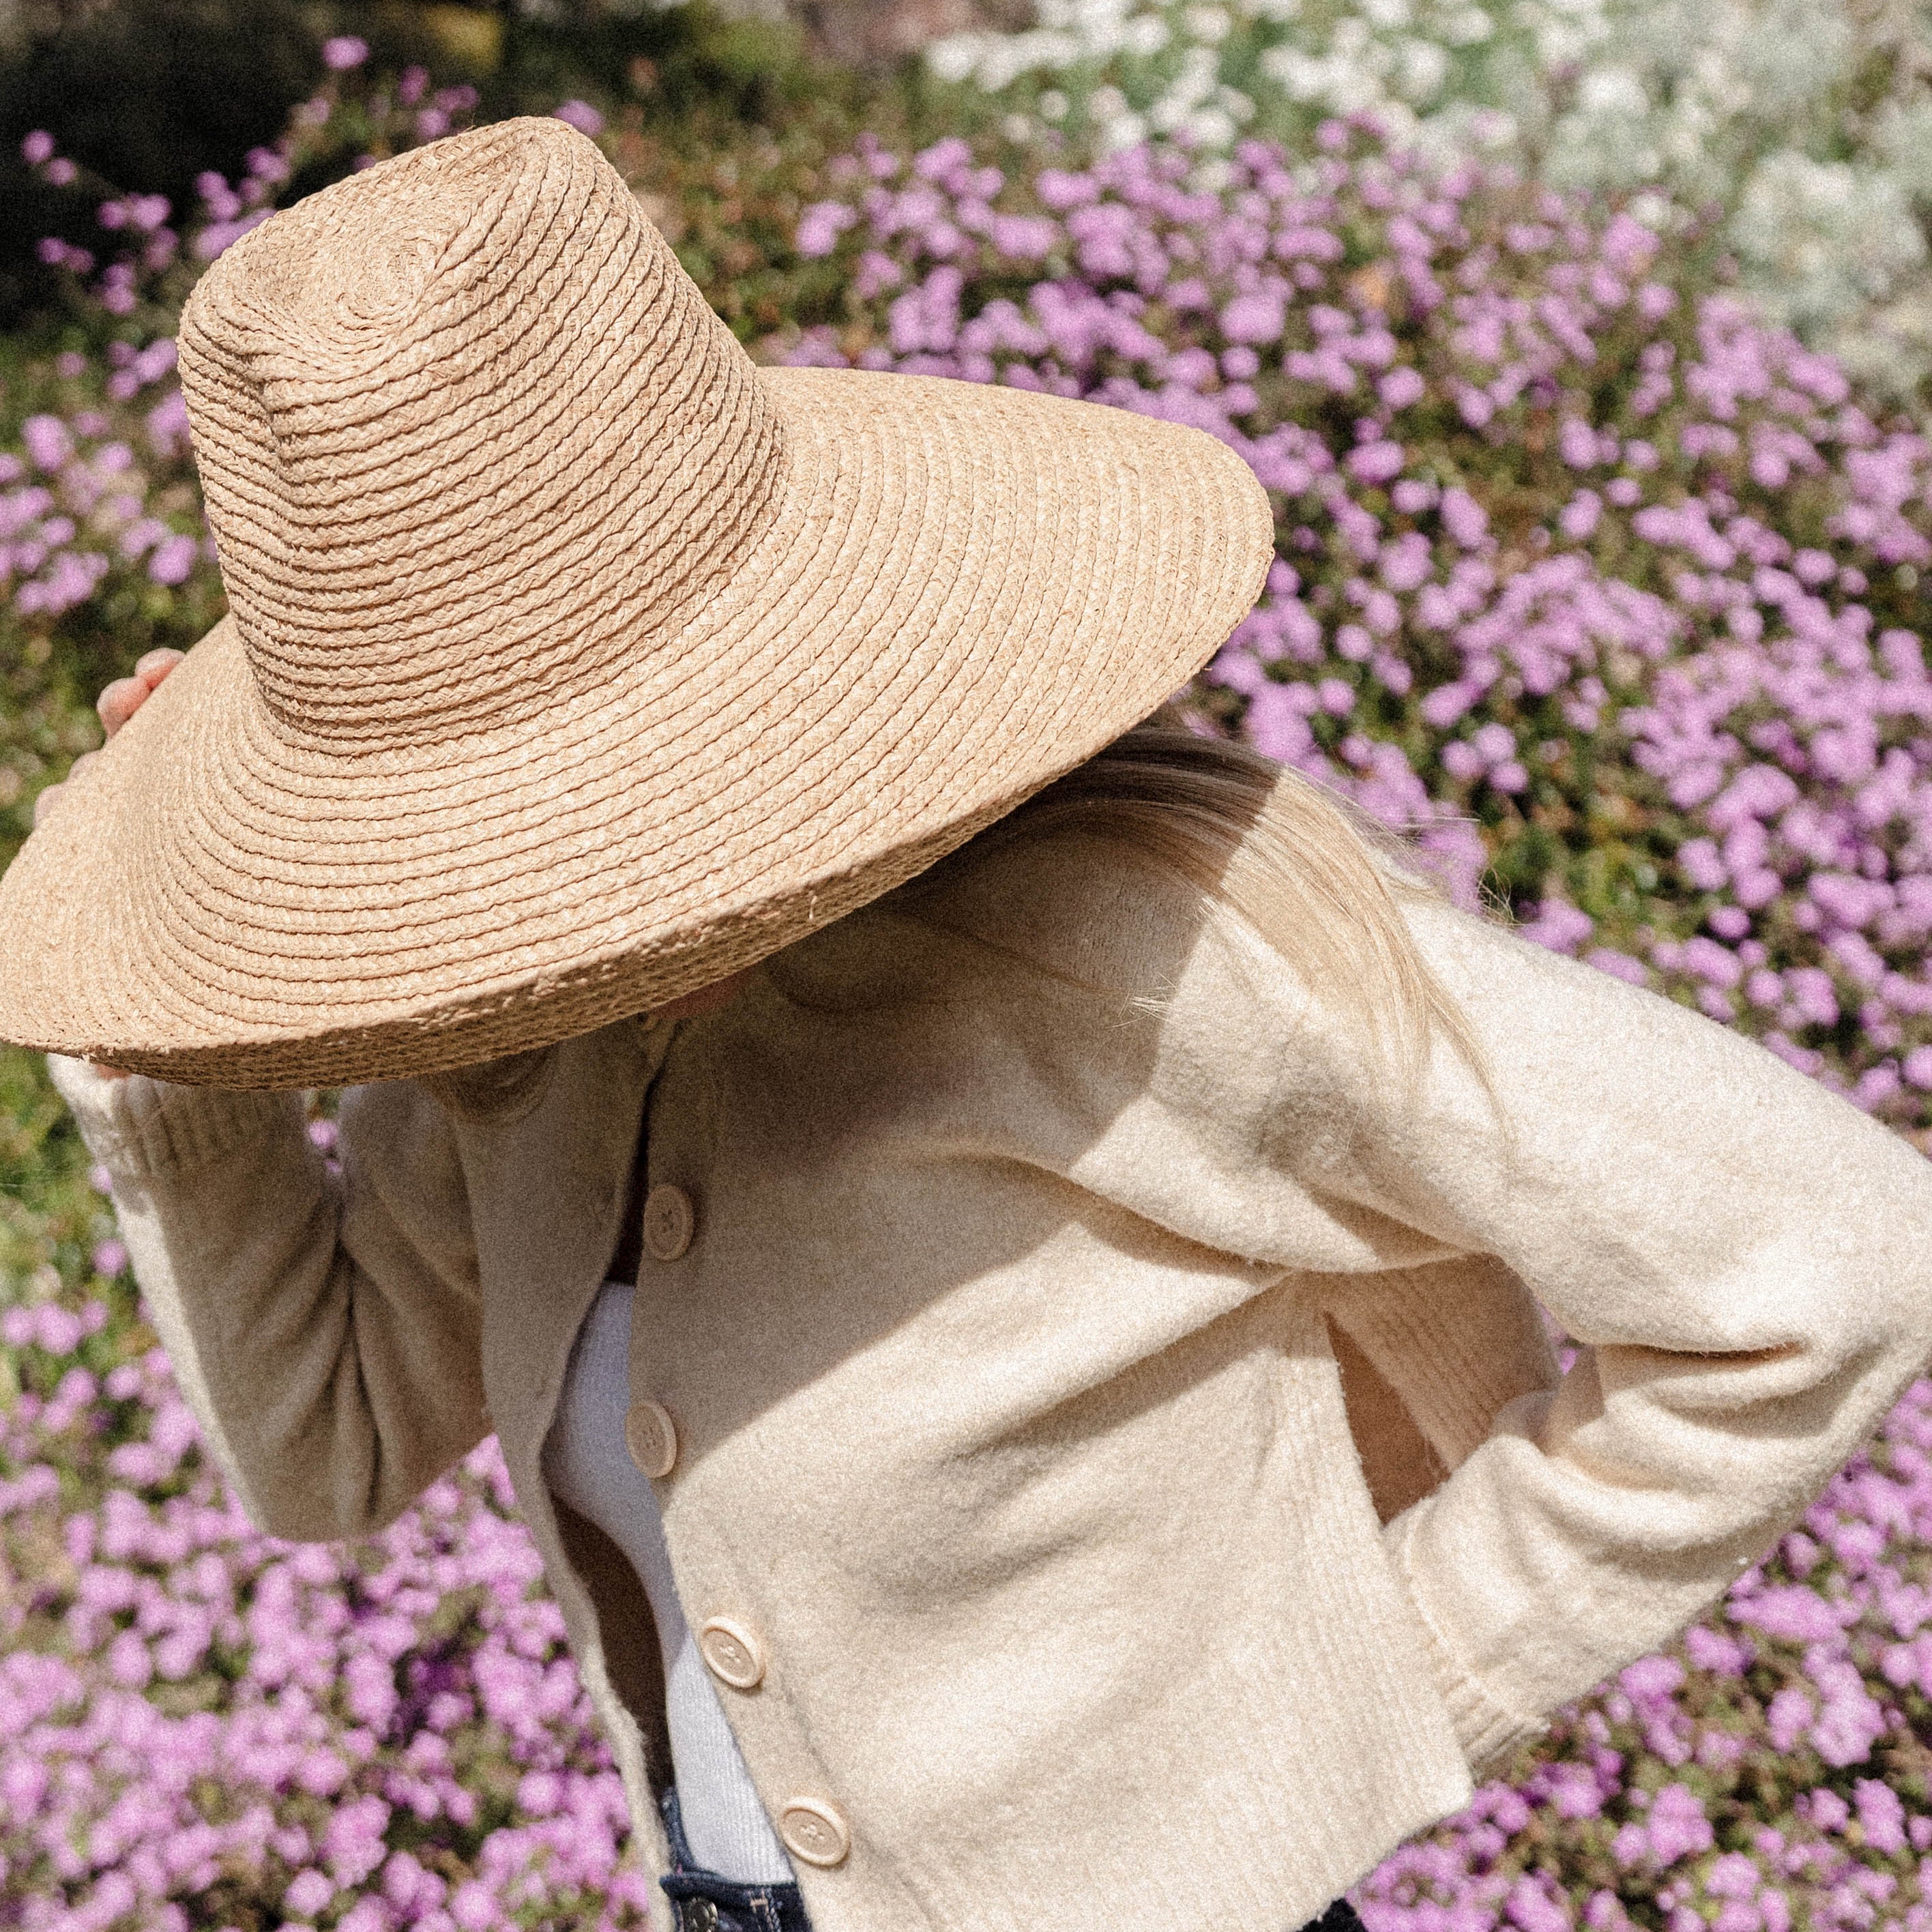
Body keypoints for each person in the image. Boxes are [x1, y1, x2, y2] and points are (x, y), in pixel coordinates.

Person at [5, 116, 1931, 1932]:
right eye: (501, 819)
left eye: (589, 786)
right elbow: (329, 1456)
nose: (569, 887)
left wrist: (1359, 1693)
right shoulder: (518, 1033)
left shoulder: (1134, 947)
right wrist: (163, 1041)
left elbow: (1828, 1262)